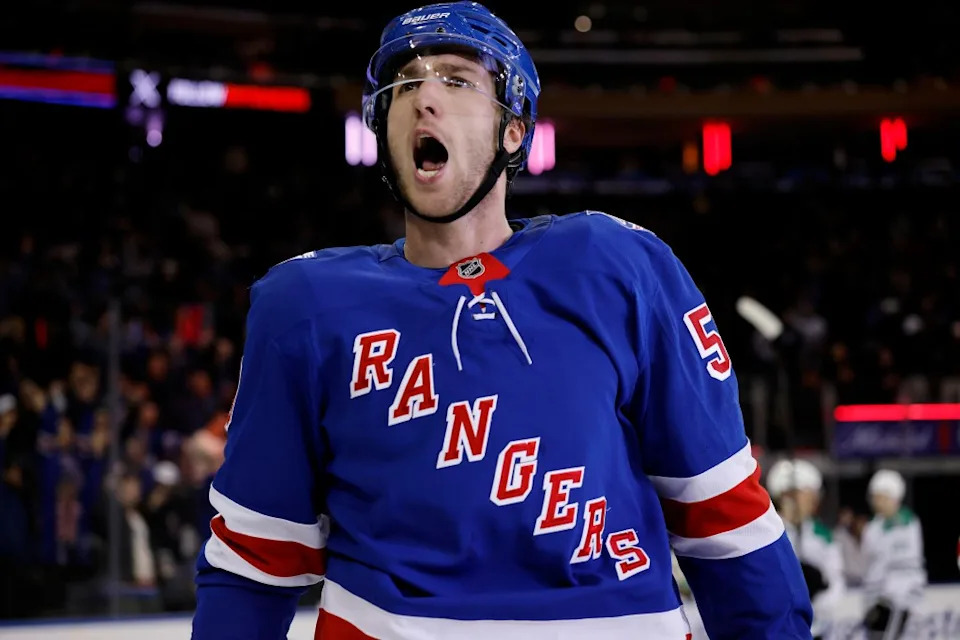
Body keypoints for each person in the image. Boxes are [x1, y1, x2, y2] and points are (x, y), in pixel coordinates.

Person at [191, 3, 813, 638]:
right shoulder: (303, 305)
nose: (424, 98)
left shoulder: (619, 266)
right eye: (404, 86)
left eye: (457, 80)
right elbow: (253, 562)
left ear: (513, 130)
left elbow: (725, 522)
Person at [766, 458, 845, 639]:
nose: (814, 500)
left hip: (817, 625)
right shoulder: (767, 533)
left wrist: (816, 612)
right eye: (807, 493)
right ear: (786, 495)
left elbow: (836, 581)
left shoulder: (822, 535)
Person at [860, 469, 926, 640]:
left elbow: (906, 568)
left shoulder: (908, 524)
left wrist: (891, 599)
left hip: (900, 603)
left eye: (880, 497)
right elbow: (867, 564)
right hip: (875, 600)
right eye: (874, 497)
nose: (876, 502)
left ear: (893, 497)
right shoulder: (872, 527)